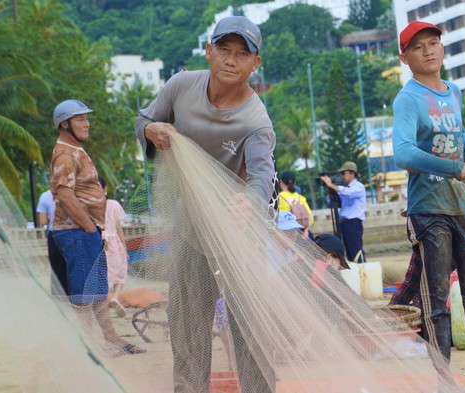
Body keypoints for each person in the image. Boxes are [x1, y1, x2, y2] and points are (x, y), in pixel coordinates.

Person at [134, 15, 276, 393]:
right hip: (191, 227)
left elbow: (263, 176)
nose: (231, 60)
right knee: (187, 323)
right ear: (209, 51)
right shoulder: (181, 86)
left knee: (251, 326)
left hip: (239, 232)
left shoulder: (255, 121)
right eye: (224, 49)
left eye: (242, 53)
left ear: (254, 64)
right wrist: (151, 130)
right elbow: (143, 120)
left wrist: (249, 202)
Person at [391, 21, 465, 385]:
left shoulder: (453, 91)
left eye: (434, 43)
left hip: (463, 206)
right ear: (405, 57)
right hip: (428, 210)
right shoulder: (407, 98)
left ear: (442, 48)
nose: (428, 50)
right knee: (437, 298)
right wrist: (456, 169)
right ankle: (444, 378)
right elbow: (404, 152)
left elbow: (459, 138)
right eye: (418, 46)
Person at [49, 99, 146, 356]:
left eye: (86, 118)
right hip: (75, 232)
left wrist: (94, 229)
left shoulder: (76, 150)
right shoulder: (64, 154)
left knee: (99, 291)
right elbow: (64, 195)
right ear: (64, 124)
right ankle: (89, 346)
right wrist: (90, 229)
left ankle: (111, 338)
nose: (87, 123)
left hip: (88, 231)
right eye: (80, 119)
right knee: (83, 294)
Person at [320, 161, 367, 263]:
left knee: (355, 249)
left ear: (352, 173)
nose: (341, 176)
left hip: (353, 222)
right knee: (347, 250)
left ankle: (362, 269)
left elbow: (348, 193)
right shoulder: (343, 188)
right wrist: (331, 190)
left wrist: (331, 184)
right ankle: (353, 269)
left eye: (343, 173)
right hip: (344, 222)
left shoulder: (359, 187)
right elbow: (331, 201)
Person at [98, 176, 129, 318]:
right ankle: (116, 297)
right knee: (120, 271)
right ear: (105, 189)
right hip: (114, 242)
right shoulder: (113, 204)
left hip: (98, 240)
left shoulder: (89, 205)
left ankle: (103, 303)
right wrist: (124, 247)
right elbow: (118, 228)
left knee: (103, 273)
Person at [36, 188, 70, 296]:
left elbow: (42, 221)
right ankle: (73, 294)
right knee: (70, 264)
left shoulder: (44, 196)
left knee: (56, 265)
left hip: (54, 233)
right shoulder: (70, 192)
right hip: (70, 232)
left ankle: (58, 295)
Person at [278, 170, 313, 239]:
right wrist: (306, 231)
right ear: (295, 183)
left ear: (281, 182)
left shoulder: (278, 197)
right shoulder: (301, 198)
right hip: (302, 234)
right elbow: (311, 218)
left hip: (286, 236)